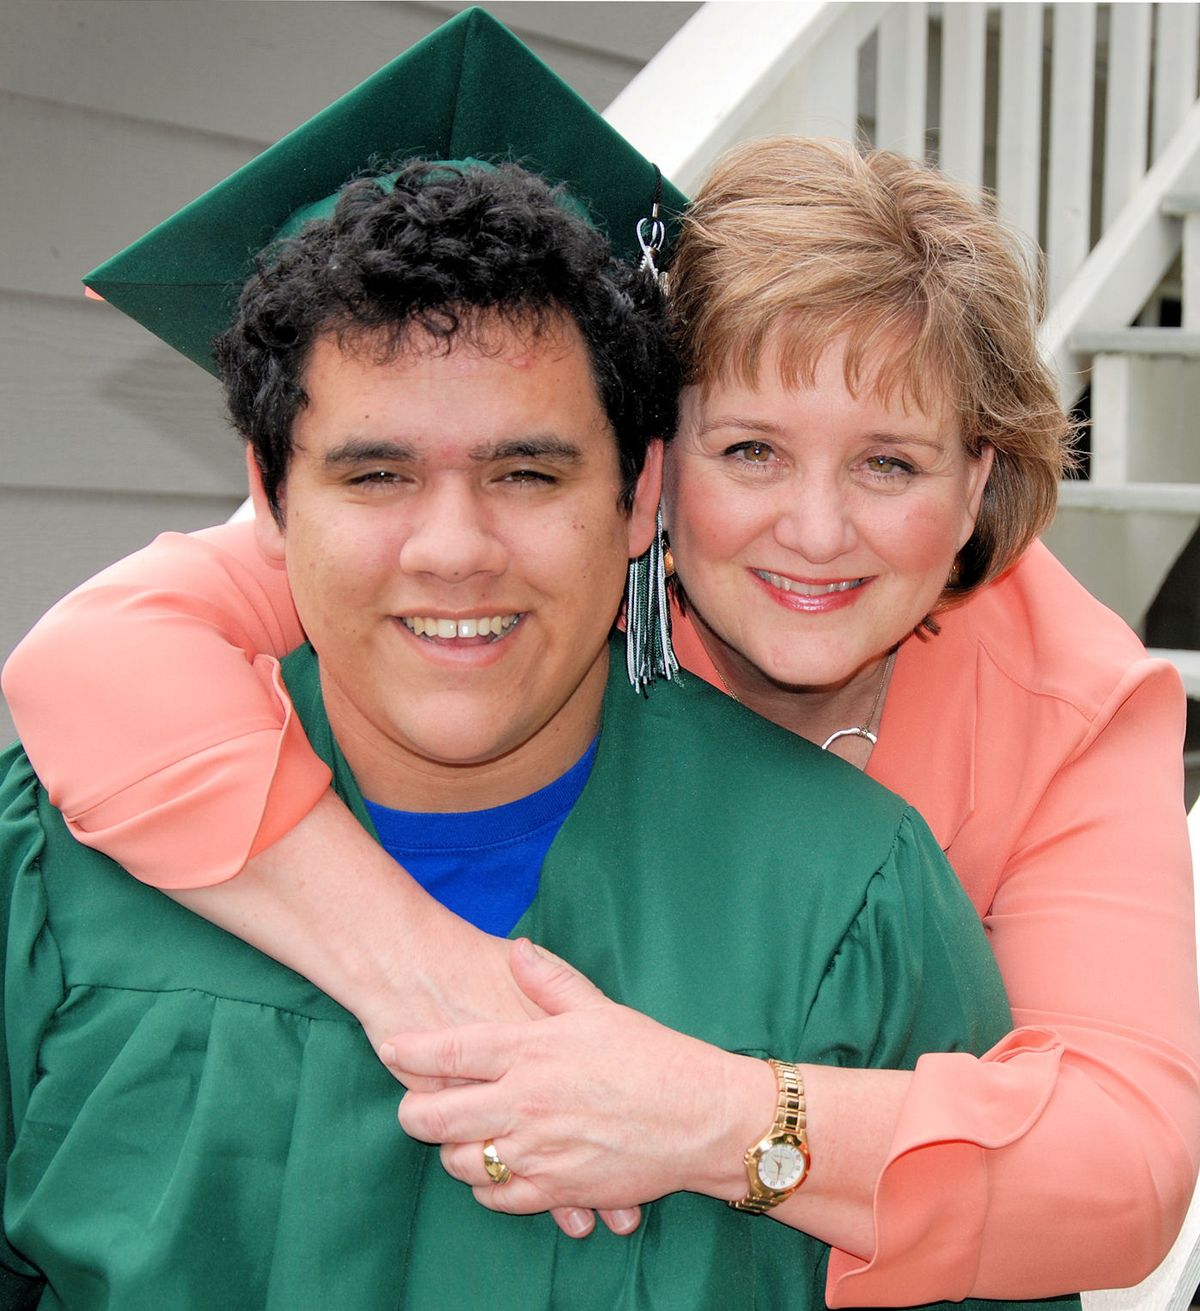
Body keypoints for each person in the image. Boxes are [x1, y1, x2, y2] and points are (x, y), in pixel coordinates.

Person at [1, 15, 1193, 1310]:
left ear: (979, 483)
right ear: (665, 474)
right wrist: (439, 978)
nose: (814, 528)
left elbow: (1122, 1163)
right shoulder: (450, 579)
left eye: (889, 463)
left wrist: (724, 1115)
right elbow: (97, 654)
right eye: (751, 451)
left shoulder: (1011, 756)